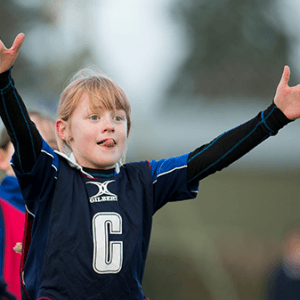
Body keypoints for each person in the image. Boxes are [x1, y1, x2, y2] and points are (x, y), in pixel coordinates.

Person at [0, 33, 300, 300]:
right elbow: (24, 135)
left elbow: (209, 157)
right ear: (63, 130)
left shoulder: (142, 180)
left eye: (118, 118)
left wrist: (273, 118)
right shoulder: (50, 176)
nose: (109, 126)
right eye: (94, 118)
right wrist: (3, 80)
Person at [0, 110, 57, 300]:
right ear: (2, 158)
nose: (41, 154)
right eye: (26, 143)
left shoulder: (64, 218)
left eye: (52, 148)